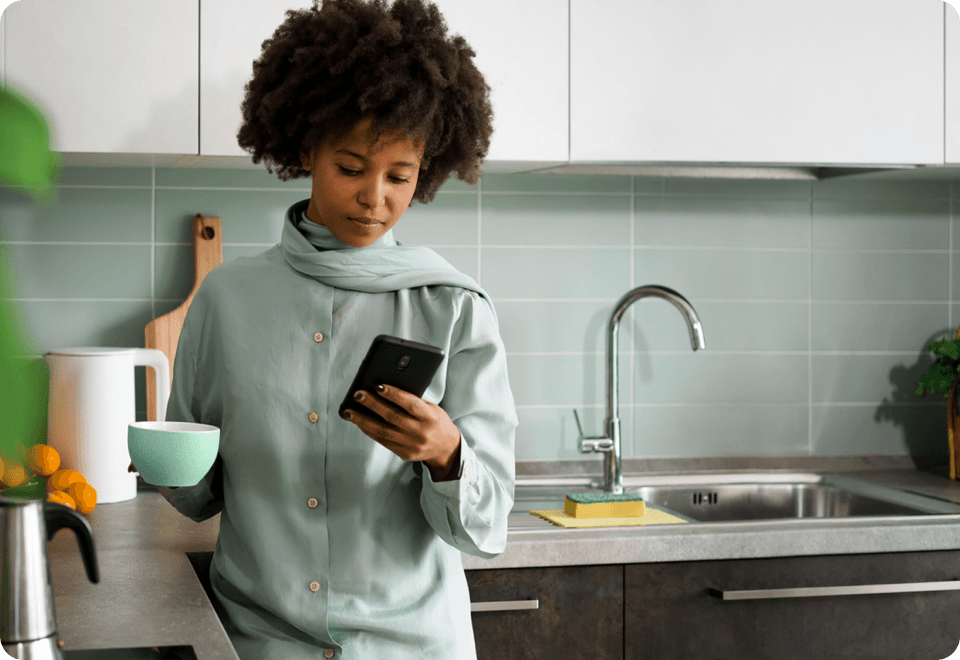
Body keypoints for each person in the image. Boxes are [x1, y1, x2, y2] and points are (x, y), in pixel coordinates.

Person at [140, 0, 518, 658]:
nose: (375, 198)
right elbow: (196, 499)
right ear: (305, 147)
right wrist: (162, 463)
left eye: (400, 176)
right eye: (351, 169)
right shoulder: (226, 299)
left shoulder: (454, 306)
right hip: (260, 642)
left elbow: (487, 529)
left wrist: (447, 455)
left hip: (413, 645)